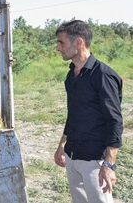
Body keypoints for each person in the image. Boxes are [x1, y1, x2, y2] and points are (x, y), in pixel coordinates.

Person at [53, 20, 124, 203]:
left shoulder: (103, 75)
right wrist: (62, 145)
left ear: (79, 42)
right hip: (73, 154)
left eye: (61, 42)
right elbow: (73, 114)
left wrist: (108, 164)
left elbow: (114, 121)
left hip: (95, 161)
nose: (57, 48)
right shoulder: (72, 74)